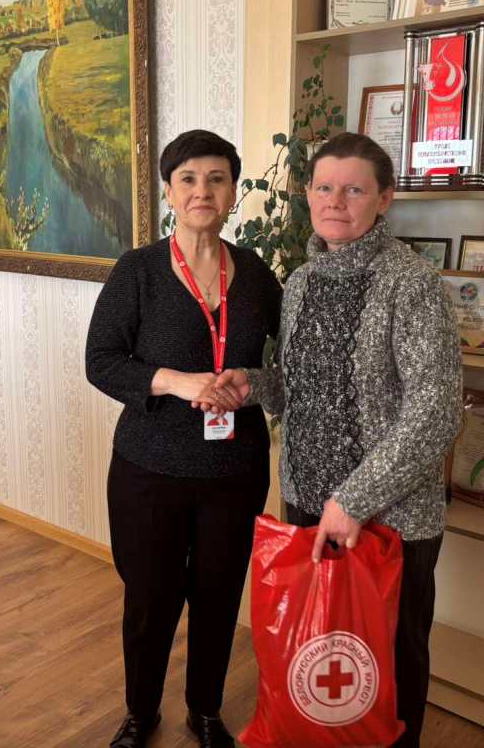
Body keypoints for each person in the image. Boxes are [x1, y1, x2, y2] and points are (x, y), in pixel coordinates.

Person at [213, 132, 463, 747]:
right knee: (320, 657)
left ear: (385, 199)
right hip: (308, 503)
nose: (336, 201)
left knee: (388, 668)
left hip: (390, 518)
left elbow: (435, 411)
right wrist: (253, 384)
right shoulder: (300, 282)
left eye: (354, 189)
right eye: (324, 187)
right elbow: (303, 388)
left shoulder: (413, 284)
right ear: (308, 194)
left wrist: (353, 500)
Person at [85, 129, 282, 748]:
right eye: (189, 179)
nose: (203, 191)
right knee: (151, 599)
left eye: (217, 179)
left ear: (232, 192)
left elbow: (291, 365)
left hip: (234, 471)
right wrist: (175, 381)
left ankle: (205, 711)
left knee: (219, 597)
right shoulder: (138, 271)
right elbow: (101, 361)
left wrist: (250, 382)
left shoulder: (256, 275)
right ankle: (141, 713)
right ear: (169, 192)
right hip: (150, 468)